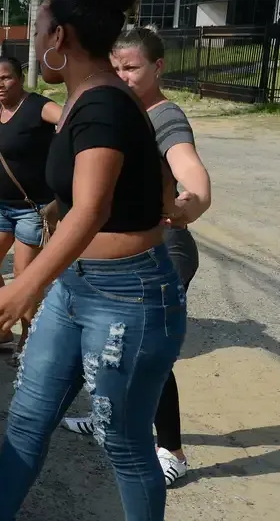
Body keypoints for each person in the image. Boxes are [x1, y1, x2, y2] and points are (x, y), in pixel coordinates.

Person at [0, 0, 186, 521]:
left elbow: (91, 209)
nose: (35, 41)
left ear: (60, 37)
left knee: (125, 445)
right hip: (74, 291)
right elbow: (151, 175)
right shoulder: (88, 99)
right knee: (27, 420)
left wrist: (24, 289)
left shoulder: (104, 103)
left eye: (39, 30)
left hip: (128, 298)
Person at [60, 27, 212, 487]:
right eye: (118, 66)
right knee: (110, 347)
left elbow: (191, 170)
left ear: (157, 67)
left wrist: (192, 202)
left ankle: (172, 450)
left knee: (148, 354)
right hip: (119, 250)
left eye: (134, 68)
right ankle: (110, 419)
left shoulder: (163, 116)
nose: (124, 76)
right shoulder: (117, 109)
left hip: (164, 250)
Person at [0, 55, 62, 358]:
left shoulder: (38, 106)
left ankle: (29, 339)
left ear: (20, 77)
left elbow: (73, 123)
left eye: (6, 77)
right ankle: (1, 332)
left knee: (25, 280)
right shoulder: (1, 111)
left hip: (33, 208)